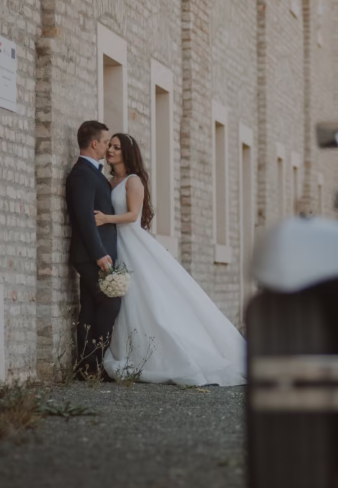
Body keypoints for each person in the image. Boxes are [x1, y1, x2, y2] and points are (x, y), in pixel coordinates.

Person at [94, 133, 245, 386]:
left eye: (116, 147)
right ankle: (130, 350)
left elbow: (132, 215)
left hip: (132, 242)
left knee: (146, 297)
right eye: (109, 145)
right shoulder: (110, 182)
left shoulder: (133, 181)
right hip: (116, 244)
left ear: (127, 153)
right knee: (128, 301)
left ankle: (166, 356)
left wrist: (106, 219)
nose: (110, 149)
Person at [65, 120, 122, 376]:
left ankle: (87, 367)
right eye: (106, 141)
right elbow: (86, 219)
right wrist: (100, 254)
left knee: (89, 308)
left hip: (94, 254)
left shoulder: (94, 173)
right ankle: (93, 362)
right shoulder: (81, 174)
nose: (108, 146)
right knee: (111, 301)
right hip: (90, 255)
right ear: (95, 143)